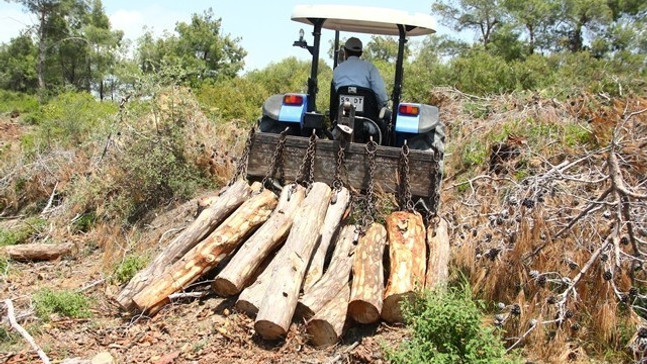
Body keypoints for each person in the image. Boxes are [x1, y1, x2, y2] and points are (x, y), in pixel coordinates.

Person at [333, 37, 389, 109]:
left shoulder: (337, 70)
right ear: (361, 53)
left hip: (343, 111)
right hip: (367, 113)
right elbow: (379, 90)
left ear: (345, 52)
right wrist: (384, 104)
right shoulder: (369, 67)